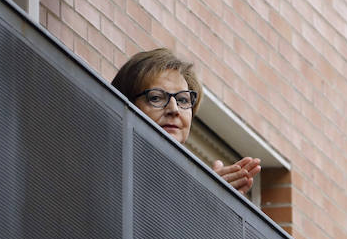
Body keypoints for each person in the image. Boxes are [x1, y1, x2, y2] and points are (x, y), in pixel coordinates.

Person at [111, 48, 261, 194]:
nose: (174, 109)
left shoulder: (188, 185)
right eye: (156, 97)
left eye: (183, 100)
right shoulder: (105, 161)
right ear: (127, 103)